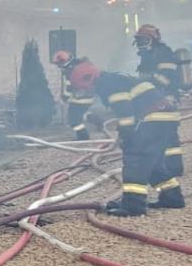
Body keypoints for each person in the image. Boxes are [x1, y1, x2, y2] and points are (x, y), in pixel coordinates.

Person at [68, 61, 184, 216]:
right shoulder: (114, 79)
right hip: (164, 117)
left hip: (152, 119)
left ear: (90, 78)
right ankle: (172, 197)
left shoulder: (108, 84)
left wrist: (125, 135)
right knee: (153, 161)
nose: (85, 90)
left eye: (84, 86)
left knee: (136, 160)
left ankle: (133, 206)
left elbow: (125, 111)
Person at [133, 24, 186, 207]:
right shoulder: (147, 56)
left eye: (144, 40)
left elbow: (166, 78)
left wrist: (145, 87)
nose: (140, 43)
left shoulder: (162, 53)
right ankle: (173, 172)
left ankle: (170, 187)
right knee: (169, 140)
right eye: (138, 40)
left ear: (153, 40)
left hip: (162, 102)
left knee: (151, 150)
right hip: (157, 103)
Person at [52, 50, 95, 140]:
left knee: (73, 119)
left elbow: (69, 87)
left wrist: (64, 99)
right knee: (81, 113)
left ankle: (83, 137)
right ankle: (96, 119)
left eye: (58, 64)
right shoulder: (79, 65)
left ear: (63, 61)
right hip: (89, 96)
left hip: (78, 98)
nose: (58, 66)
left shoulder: (70, 70)